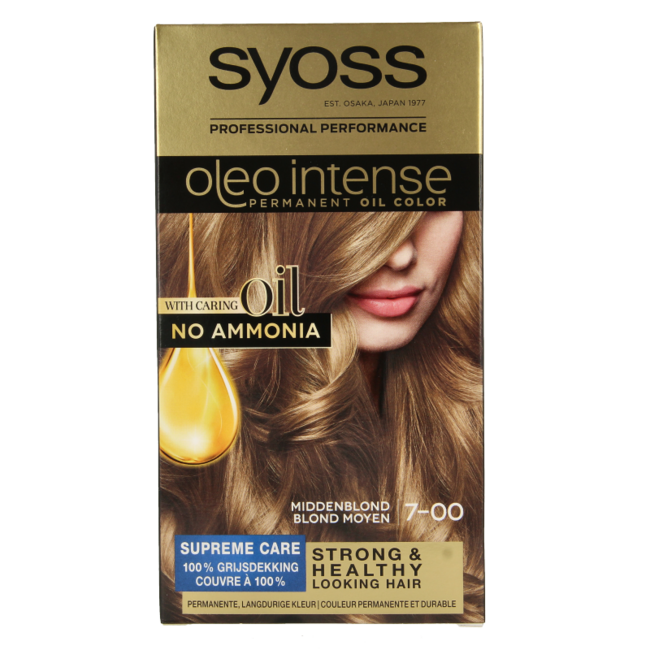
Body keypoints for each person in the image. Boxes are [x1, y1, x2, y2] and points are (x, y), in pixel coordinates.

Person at [158, 211, 484, 624]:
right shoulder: (184, 436)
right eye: (349, 212)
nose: (401, 255)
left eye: (432, 206)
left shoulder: (467, 422)